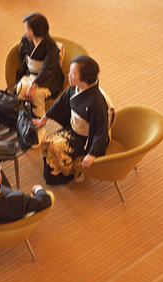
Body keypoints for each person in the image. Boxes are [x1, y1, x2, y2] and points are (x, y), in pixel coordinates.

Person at [33, 55, 109, 185]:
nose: (69, 76)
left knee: (54, 146)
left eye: (73, 73)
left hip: (85, 139)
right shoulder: (75, 88)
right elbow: (61, 102)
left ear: (84, 78)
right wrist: (44, 118)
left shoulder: (96, 102)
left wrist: (92, 154)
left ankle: (73, 172)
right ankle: (56, 172)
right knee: (47, 142)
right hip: (73, 129)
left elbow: (101, 131)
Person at [12, 13, 63, 142]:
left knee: (37, 95)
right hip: (30, 73)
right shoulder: (25, 40)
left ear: (38, 31)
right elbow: (22, 55)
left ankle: (40, 126)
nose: (25, 33)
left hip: (48, 78)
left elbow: (47, 69)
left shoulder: (51, 46)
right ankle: (23, 121)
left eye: (28, 30)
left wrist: (34, 86)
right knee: (20, 89)